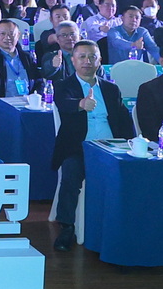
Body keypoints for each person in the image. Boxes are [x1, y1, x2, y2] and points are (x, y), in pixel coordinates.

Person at [49, 41, 135, 251]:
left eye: (92, 57)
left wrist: (132, 143)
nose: (87, 61)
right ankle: (67, 226)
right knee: (71, 172)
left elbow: (124, 120)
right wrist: (80, 104)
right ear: (73, 60)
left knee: (135, 170)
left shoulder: (111, 89)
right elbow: (64, 103)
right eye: (82, 57)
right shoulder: (63, 85)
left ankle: (127, 225)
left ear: (100, 61)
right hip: (79, 147)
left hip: (112, 148)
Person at [0, 19, 41, 130]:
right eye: (2, 34)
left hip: (27, 107)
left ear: (18, 35)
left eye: (11, 34)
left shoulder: (27, 57)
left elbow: (38, 80)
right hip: (2, 108)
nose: (7, 38)